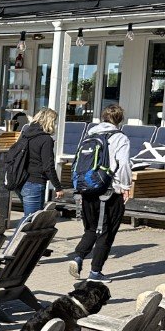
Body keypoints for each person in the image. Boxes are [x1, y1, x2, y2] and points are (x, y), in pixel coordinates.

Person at [69, 104, 131, 281]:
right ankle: (95, 273)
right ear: (120, 120)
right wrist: (125, 187)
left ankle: (78, 257)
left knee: (90, 228)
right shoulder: (120, 138)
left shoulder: (90, 135)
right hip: (109, 190)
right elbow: (124, 164)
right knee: (106, 231)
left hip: (87, 187)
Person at [9, 108, 63, 218]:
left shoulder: (25, 134)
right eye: (54, 121)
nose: (55, 124)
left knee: (29, 219)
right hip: (34, 183)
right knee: (31, 221)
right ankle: (16, 236)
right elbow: (48, 166)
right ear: (49, 122)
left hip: (20, 181)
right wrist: (58, 187)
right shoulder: (45, 139)